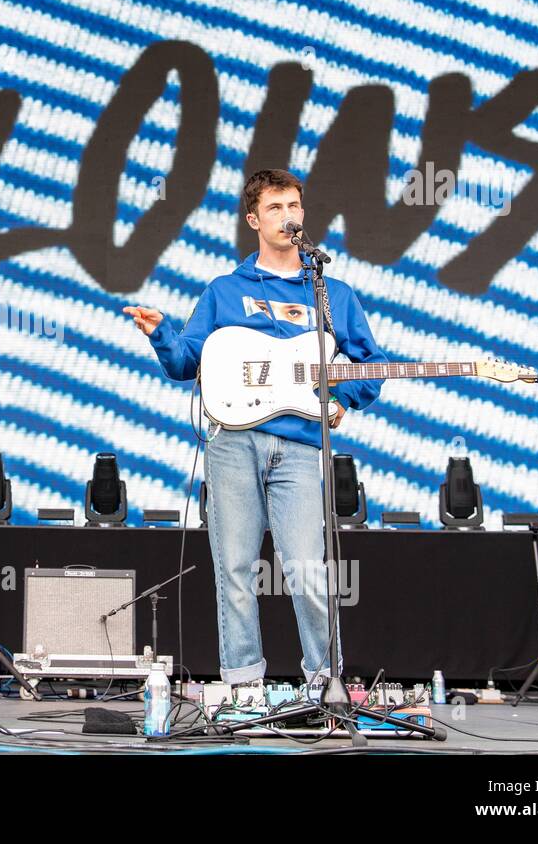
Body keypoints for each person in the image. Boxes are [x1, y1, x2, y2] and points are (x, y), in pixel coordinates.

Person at [124, 168, 387, 687]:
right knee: (236, 570)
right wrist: (161, 335)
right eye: (274, 208)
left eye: (294, 206)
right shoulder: (225, 291)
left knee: (308, 571)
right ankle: (243, 686)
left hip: (299, 446)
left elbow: (371, 365)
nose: (288, 216)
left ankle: (325, 685)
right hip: (233, 443)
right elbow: (186, 362)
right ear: (254, 220)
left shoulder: (331, 293)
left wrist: (343, 399)